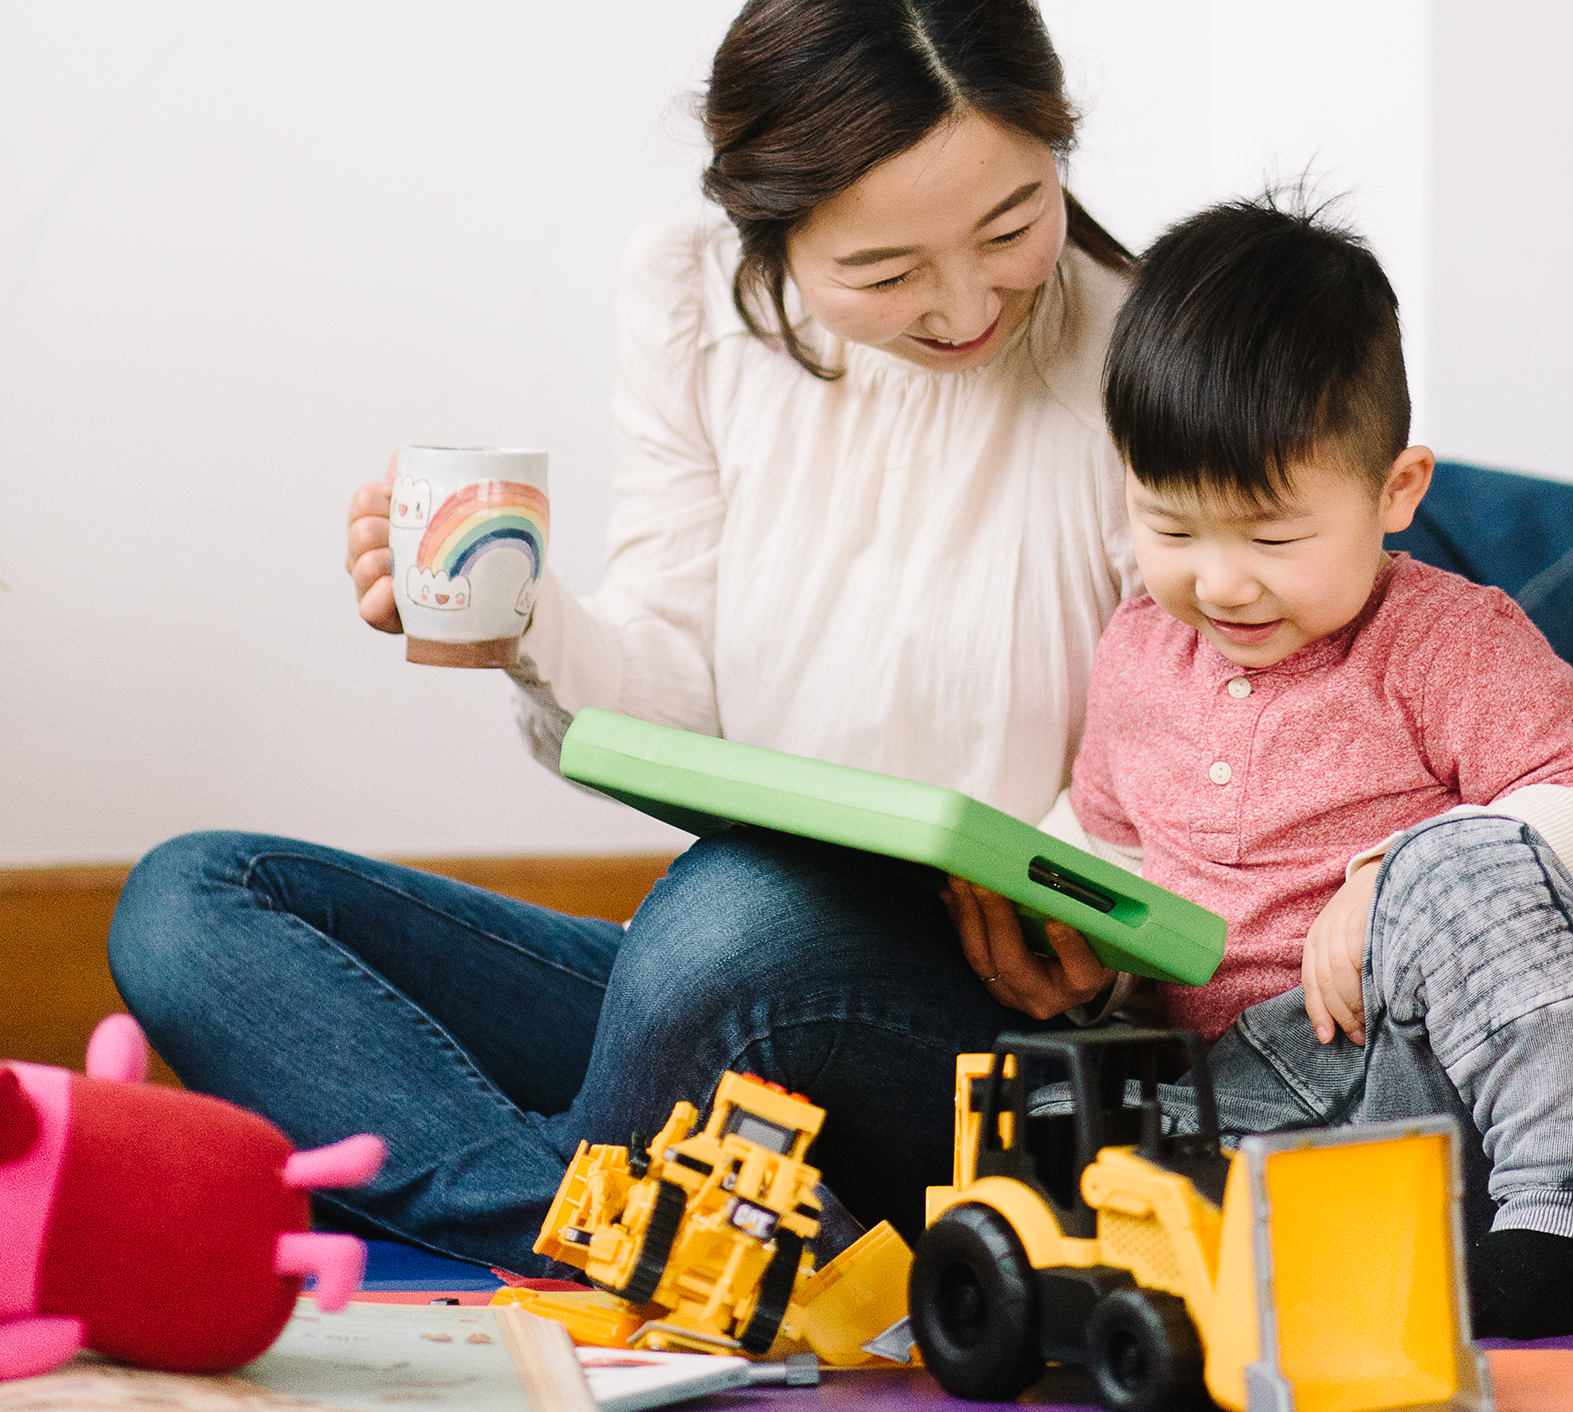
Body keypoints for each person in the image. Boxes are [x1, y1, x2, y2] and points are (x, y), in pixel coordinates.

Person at [107, 0, 1140, 1273]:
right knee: (192, 898)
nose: (969, 301)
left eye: (1013, 224)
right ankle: (621, 1233)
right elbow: (674, 697)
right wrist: (522, 622)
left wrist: (1085, 891)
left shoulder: (1151, 354)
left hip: (1003, 1045)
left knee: (727, 917)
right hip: (726, 984)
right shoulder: (693, 294)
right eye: (886, 274)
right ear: (771, 228)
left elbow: (1234, 719)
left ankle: (615, 1220)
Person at [1032, 195, 1573, 1338]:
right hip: (1235, 1090)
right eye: (1171, 528)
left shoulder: (1446, 638)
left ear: (1395, 493)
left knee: (1470, 864)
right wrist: (1061, 928)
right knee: (1072, 1153)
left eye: (1272, 537)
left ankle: (1571, 1228)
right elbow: (1100, 840)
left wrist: (1396, 873)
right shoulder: (1135, 648)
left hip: (1421, 1066)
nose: (1221, 583)